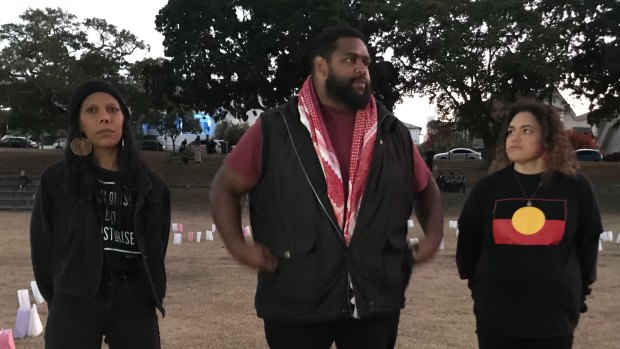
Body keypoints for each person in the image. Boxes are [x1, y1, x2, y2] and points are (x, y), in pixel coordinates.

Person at [210, 26, 443, 349]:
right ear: (321, 65)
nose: (362, 69)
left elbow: (426, 187)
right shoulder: (277, 128)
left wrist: (433, 237)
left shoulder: (392, 132)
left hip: (375, 296)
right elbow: (225, 186)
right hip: (295, 295)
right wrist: (238, 246)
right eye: (350, 59)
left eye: (366, 61)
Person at [30, 80, 171, 349]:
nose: (105, 117)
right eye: (92, 111)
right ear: (79, 124)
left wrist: (148, 292)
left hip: (133, 299)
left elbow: (157, 244)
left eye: (113, 109)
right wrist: (59, 296)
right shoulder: (56, 181)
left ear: (123, 120)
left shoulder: (151, 185)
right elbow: (42, 247)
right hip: (75, 295)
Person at [456, 102, 602, 349]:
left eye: (527, 130)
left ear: (548, 137)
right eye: (511, 131)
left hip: (555, 317)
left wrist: (577, 295)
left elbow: (587, 245)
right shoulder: (487, 189)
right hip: (496, 316)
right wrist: (480, 290)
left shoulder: (576, 188)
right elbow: (468, 247)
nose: (515, 137)